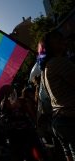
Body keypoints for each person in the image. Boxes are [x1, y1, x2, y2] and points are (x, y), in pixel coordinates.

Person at [38, 30, 75, 161]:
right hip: (70, 117)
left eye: (61, 36)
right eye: (57, 38)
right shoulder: (59, 62)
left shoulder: (45, 69)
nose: (62, 39)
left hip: (59, 121)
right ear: (49, 45)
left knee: (69, 154)